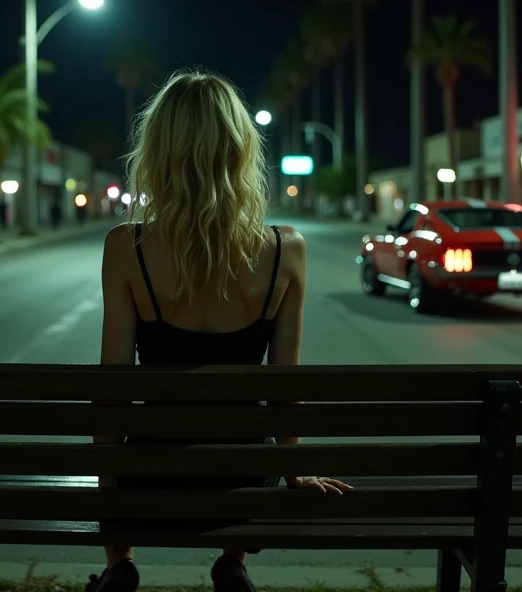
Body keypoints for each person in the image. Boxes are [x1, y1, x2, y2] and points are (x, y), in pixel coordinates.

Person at [95, 70, 352, 592]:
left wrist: (110, 489)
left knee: (120, 451)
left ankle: (120, 566)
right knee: (249, 438)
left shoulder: (127, 248)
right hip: (245, 476)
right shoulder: (286, 250)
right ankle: (232, 560)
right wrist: (296, 471)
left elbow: (112, 396)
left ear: (159, 151)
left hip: (151, 476)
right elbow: (285, 387)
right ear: (239, 150)